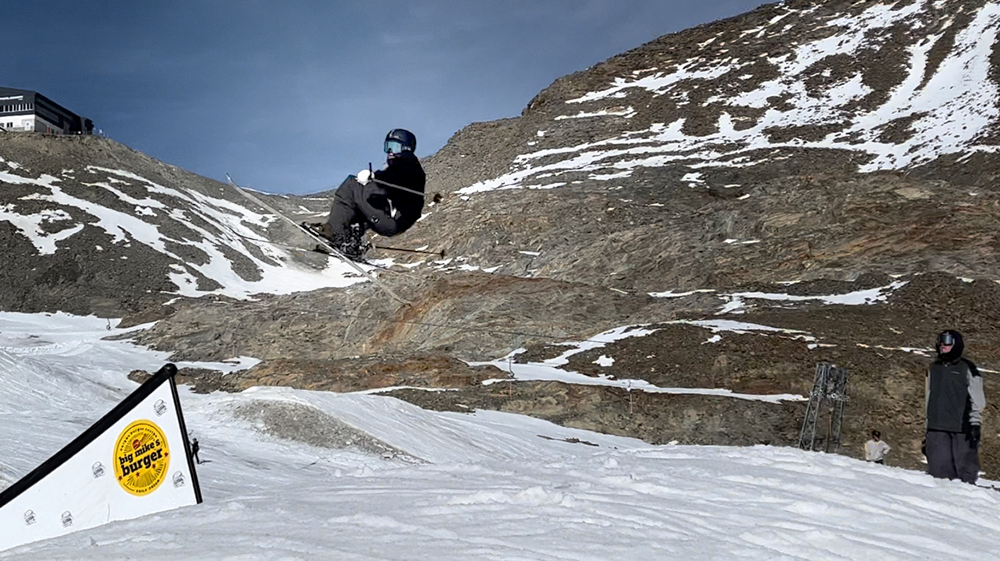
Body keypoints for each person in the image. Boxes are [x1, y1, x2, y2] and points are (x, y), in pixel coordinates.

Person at [304, 128, 426, 259]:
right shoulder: (403, 168)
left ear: (406, 148)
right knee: (361, 199)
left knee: (352, 185)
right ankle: (351, 242)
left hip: (394, 220)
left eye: (395, 147)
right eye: (388, 147)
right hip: (392, 219)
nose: (390, 152)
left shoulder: (408, 167)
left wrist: (374, 178)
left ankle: (334, 234)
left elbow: (395, 180)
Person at [924, 330, 985, 484]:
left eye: (948, 341)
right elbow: (928, 396)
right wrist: (927, 428)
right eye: (940, 341)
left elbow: (978, 399)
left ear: (956, 344)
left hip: (962, 428)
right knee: (938, 476)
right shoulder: (933, 368)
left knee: (965, 474)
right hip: (936, 428)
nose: (943, 345)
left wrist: (975, 423)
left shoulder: (967, 368)